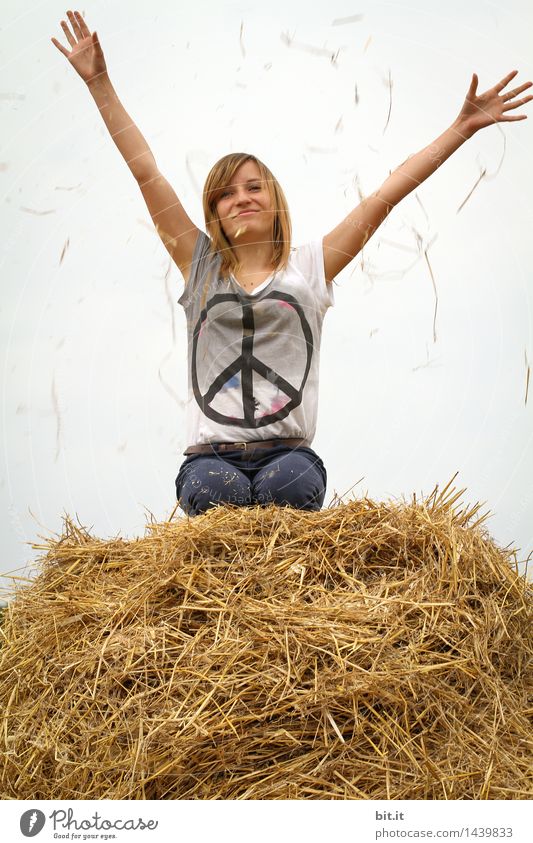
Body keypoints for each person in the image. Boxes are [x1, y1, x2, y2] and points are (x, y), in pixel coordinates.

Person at [52, 10, 532, 516]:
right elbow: (145, 171)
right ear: (213, 211)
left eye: (253, 187)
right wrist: (99, 83)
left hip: (289, 452)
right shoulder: (199, 267)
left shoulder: (311, 266)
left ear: (274, 197)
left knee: (287, 487)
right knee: (219, 494)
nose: (241, 198)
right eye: (225, 194)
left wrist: (461, 128)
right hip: (209, 457)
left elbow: (387, 195)